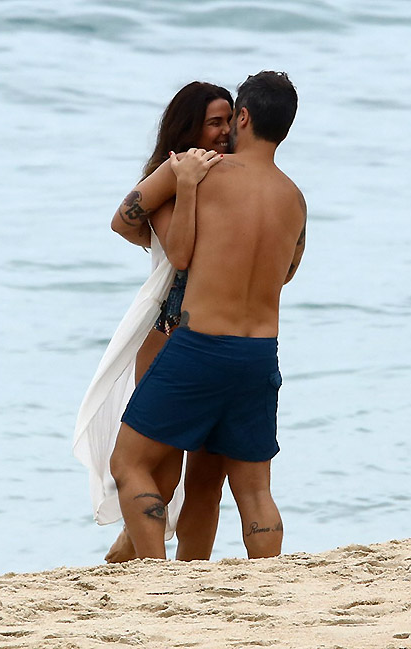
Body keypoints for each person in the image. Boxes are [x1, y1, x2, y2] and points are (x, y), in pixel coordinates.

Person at [108, 71, 306, 560]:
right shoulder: (295, 199)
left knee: (128, 462)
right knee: (252, 491)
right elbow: (287, 273)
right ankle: (271, 588)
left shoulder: (202, 171)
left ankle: (157, 580)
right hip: (259, 354)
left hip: (199, 347)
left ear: (243, 117)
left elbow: (125, 216)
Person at [72, 81, 234, 563]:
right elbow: (128, 222)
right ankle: (145, 564)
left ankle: (128, 554)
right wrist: (160, 237)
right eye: (214, 122)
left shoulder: (225, 172)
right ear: (190, 129)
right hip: (168, 336)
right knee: (157, 464)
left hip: (206, 336)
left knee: (175, 472)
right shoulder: (176, 171)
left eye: (229, 120)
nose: (225, 131)